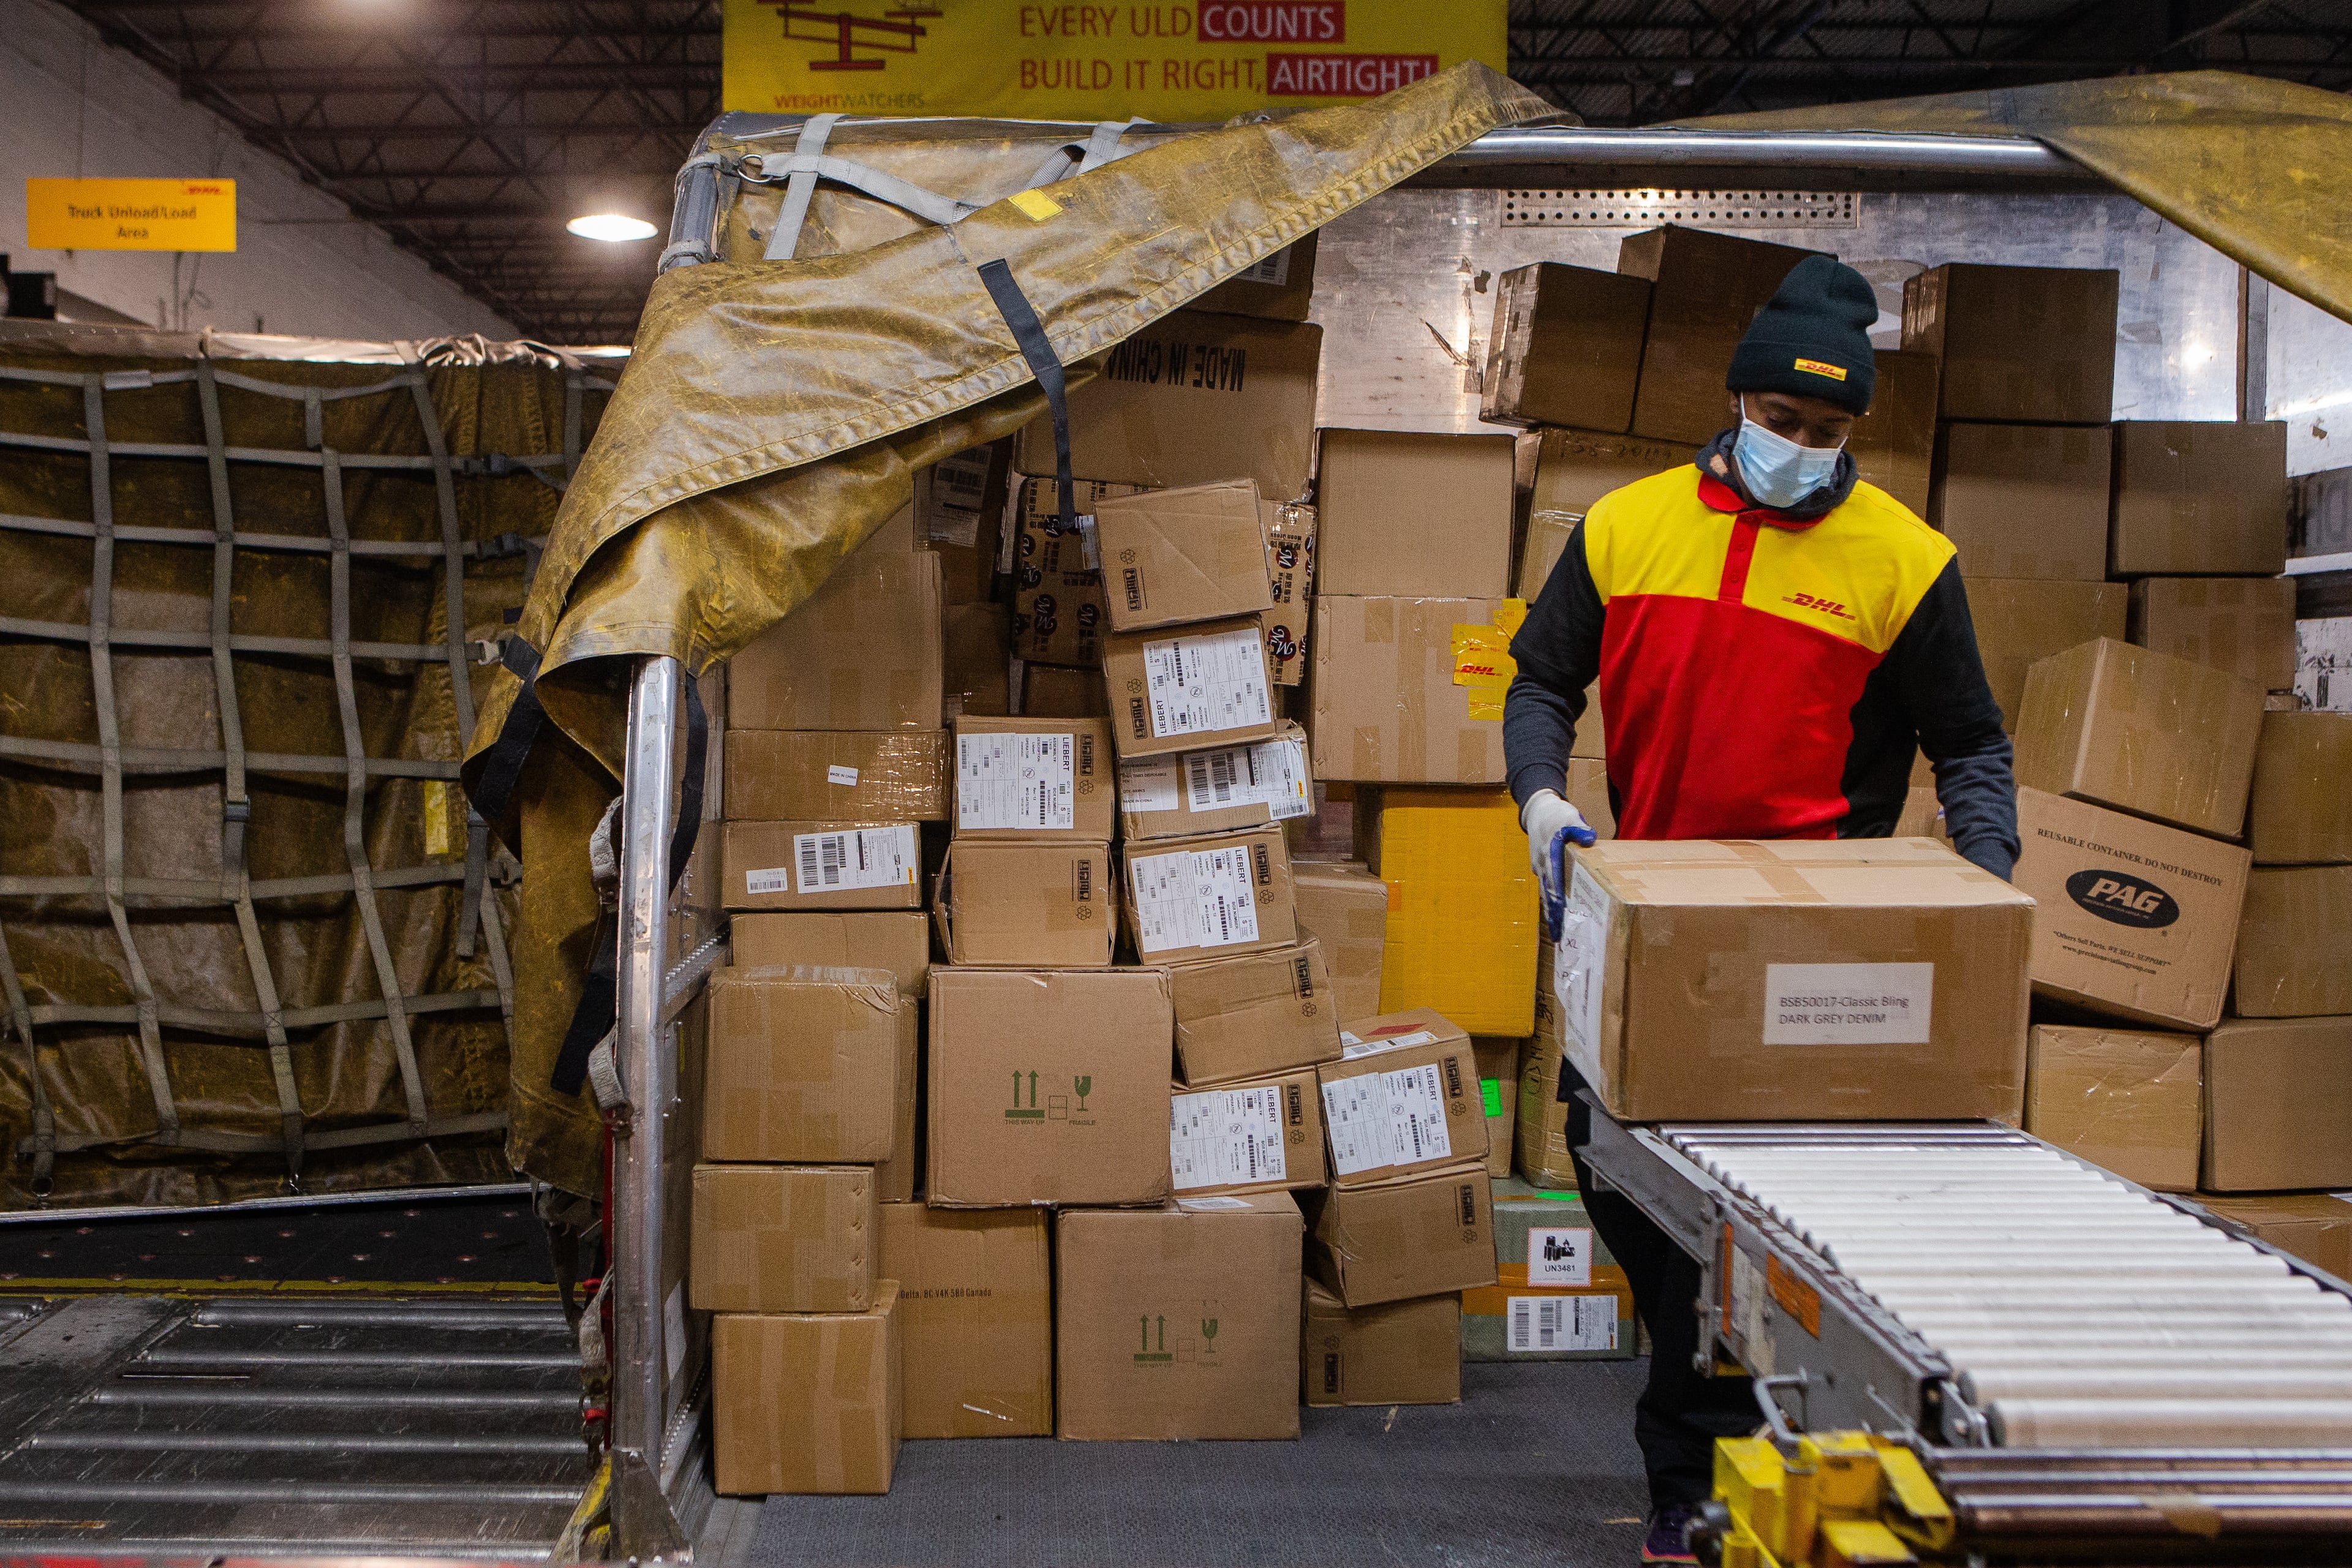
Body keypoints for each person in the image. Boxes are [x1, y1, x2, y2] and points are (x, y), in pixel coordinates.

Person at [1501, 254, 2018, 1565]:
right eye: (1781, 423)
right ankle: (1719, 1429)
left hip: (1808, 951)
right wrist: (1541, 801)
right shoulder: (1626, 525)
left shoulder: (1906, 562)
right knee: (1607, 1171)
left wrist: (1985, 882)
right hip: (1640, 918)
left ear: (1857, 433)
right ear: (1739, 400)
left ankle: (1691, 1486)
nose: (1799, 450)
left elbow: (1972, 746)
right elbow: (1542, 683)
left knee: (1712, 1237)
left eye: (1829, 433)